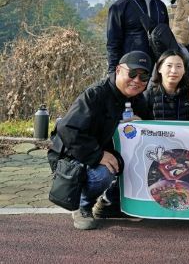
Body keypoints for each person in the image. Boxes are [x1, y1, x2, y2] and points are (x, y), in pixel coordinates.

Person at [48, 51, 153, 230]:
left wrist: (141, 125)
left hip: (108, 152)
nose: (137, 80)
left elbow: (150, 129)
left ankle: (113, 203)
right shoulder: (95, 94)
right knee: (105, 172)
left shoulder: (138, 99)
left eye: (143, 76)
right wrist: (98, 155)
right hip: (72, 157)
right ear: (118, 70)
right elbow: (67, 128)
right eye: (132, 73)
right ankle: (82, 204)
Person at [106, 0, 169, 74]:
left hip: (158, 71)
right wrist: (113, 74)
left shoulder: (160, 6)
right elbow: (113, 45)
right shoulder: (119, 7)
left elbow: (167, 39)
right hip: (132, 72)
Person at [143, 50, 189, 121]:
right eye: (169, 66)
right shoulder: (149, 95)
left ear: (184, 70)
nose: (174, 71)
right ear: (159, 69)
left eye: (179, 66)